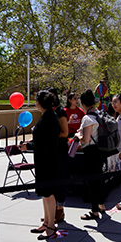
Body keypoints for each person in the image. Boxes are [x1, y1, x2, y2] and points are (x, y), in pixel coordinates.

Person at [19, 90, 60, 240]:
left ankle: (51, 227)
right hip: (43, 160)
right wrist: (29, 144)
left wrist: (29, 146)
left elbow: (46, 143)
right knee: (45, 193)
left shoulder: (49, 118)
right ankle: (47, 221)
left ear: (39, 103)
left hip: (48, 161)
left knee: (49, 193)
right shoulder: (48, 117)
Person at [76, 90, 106, 220]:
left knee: (92, 181)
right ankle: (101, 205)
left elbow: (86, 139)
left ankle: (94, 211)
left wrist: (79, 136)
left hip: (91, 152)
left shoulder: (87, 118)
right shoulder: (100, 114)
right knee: (99, 179)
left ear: (83, 104)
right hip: (101, 150)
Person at [52, 89, 69, 224]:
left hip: (60, 151)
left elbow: (65, 132)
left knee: (60, 180)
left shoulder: (60, 112)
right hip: (51, 152)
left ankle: (60, 209)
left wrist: (48, 136)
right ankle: (51, 212)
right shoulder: (49, 113)